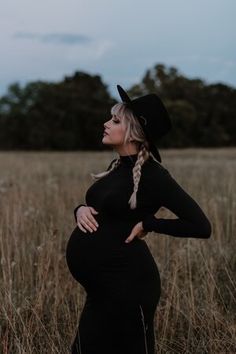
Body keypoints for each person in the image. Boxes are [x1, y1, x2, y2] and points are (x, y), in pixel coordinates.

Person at [66, 85, 212, 354]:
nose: (106, 123)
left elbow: (201, 226)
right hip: (103, 289)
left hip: (128, 288)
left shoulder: (154, 175)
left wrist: (149, 223)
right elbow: (106, 207)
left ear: (134, 133)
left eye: (116, 120)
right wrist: (80, 209)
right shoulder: (119, 166)